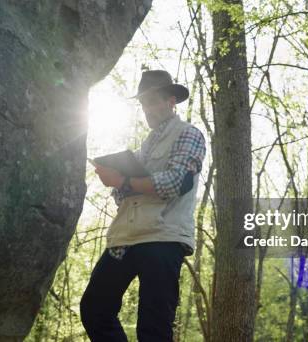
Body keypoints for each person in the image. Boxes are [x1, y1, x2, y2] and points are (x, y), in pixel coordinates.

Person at [80, 70, 206, 341]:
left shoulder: (189, 134)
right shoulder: (143, 149)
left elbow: (177, 183)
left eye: (152, 102)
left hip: (163, 238)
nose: (147, 109)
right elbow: (125, 194)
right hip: (125, 239)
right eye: (143, 103)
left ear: (171, 100)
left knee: (154, 329)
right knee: (94, 309)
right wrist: (117, 183)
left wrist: (124, 180)